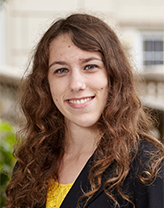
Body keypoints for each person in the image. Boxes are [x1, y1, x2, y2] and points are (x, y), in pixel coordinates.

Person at [5, 13, 164, 208]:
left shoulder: (148, 167)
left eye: (90, 66)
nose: (76, 84)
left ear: (113, 75)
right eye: (61, 70)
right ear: (46, 84)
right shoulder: (30, 165)